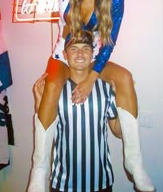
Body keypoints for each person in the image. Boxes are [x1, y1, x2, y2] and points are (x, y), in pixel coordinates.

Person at [9, 0, 155, 192]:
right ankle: (39, 169)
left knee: (124, 78)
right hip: (62, 56)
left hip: (96, 58)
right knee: (51, 87)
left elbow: (109, 43)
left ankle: (134, 162)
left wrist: (91, 78)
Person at [29, 31, 122, 192]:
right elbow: (46, 134)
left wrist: (122, 101)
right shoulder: (54, 91)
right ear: (64, 54)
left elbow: (119, 132)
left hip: (101, 183)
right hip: (63, 184)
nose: (80, 54)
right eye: (73, 49)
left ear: (93, 53)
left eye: (86, 48)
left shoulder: (106, 89)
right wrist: (39, 102)